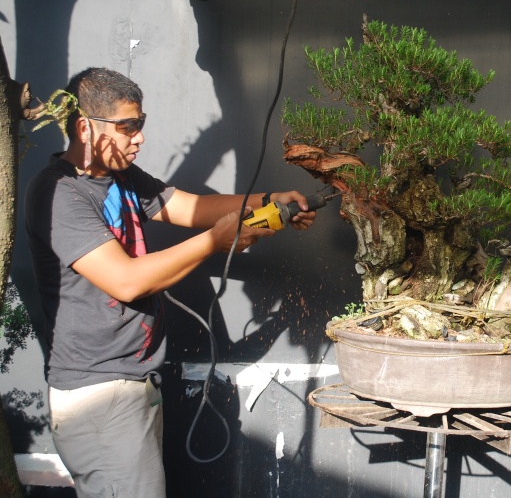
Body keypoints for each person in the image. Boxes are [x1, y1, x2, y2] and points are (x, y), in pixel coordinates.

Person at [23, 67, 316, 498]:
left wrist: (268, 201)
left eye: (141, 124)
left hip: (131, 384)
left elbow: (191, 207)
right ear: (85, 128)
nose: (139, 137)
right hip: (98, 397)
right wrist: (217, 241)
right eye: (128, 127)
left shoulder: (119, 177)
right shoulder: (60, 194)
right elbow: (125, 281)